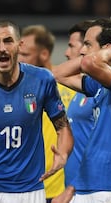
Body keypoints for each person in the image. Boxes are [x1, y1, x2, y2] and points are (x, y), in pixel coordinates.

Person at [0, 19, 73, 203]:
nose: (2, 48)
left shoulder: (42, 80)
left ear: (19, 45)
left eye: (8, 41)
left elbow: (62, 127)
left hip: (29, 190)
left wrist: (62, 153)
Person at [52, 17, 111, 203]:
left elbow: (87, 64)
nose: (82, 50)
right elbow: (57, 74)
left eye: (87, 44)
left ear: (108, 48)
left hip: (110, 191)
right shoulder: (98, 86)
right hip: (87, 190)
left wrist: (107, 54)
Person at [18, 24, 76, 203]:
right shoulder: (20, 89)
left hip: (59, 190)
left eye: (25, 54)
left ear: (43, 54)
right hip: (25, 188)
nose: (17, 59)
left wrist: (73, 186)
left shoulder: (71, 86)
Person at [62, 20, 95, 187]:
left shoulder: (102, 89)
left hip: (92, 189)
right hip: (74, 189)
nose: (67, 53)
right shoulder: (81, 90)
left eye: (71, 46)